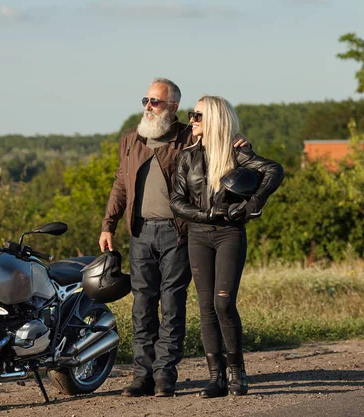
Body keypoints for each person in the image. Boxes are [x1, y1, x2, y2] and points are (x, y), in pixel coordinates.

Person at [99, 79, 248, 397]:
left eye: (155, 102)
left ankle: (165, 375)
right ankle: (142, 375)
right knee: (141, 305)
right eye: (146, 100)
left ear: (173, 107)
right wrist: (107, 225)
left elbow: (217, 146)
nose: (148, 107)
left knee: (172, 305)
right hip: (140, 232)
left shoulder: (186, 136)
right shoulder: (131, 139)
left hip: (178, 232)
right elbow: (120, 183)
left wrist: (239, 147)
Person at [170, 95, 284, 398]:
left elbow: (274, 171)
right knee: (206, 307)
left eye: (197, 116)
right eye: (192, 115)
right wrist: (207, 214)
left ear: (214, 120)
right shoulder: (187, 157)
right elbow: (176, 202)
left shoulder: (238, 153)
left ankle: (238, 374)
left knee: (223, 303)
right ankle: (216, 377)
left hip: (229, 235)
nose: (191, 121)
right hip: (198, 235)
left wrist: (251, 205)